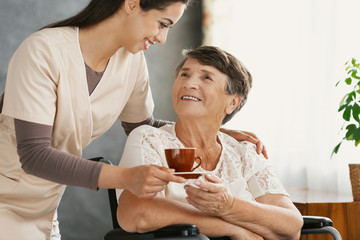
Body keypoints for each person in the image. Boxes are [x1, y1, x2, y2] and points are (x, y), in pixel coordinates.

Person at [0, 1, 268, 239]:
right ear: (131, 4)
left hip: (46, 206)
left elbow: (142, 126)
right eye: (163, 24)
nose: (163, 38)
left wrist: (212, 133)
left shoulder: (131, 61)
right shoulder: (43, 51)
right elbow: (34, 154)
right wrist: (126, 177)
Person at [116, 46, 303, 240]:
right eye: (184, 74)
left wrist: (229, 206)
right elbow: (138, 211)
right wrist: (234, 229)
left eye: (206, 77)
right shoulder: (151, 140)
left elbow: (291, 226)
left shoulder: (244, 152)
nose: (189, 83)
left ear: (232, 103)